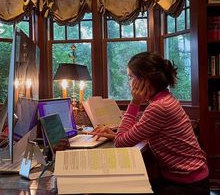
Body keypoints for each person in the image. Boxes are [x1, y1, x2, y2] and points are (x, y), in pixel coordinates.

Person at [90, 52, 210, 195]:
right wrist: (115, 135)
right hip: (187, 178)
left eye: (130, 77)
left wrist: (135, 102)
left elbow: (121, 143)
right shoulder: (165, 98)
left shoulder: (159, 107)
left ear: (144, 81)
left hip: (188, 186)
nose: (129, 83)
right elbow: (142, 133)